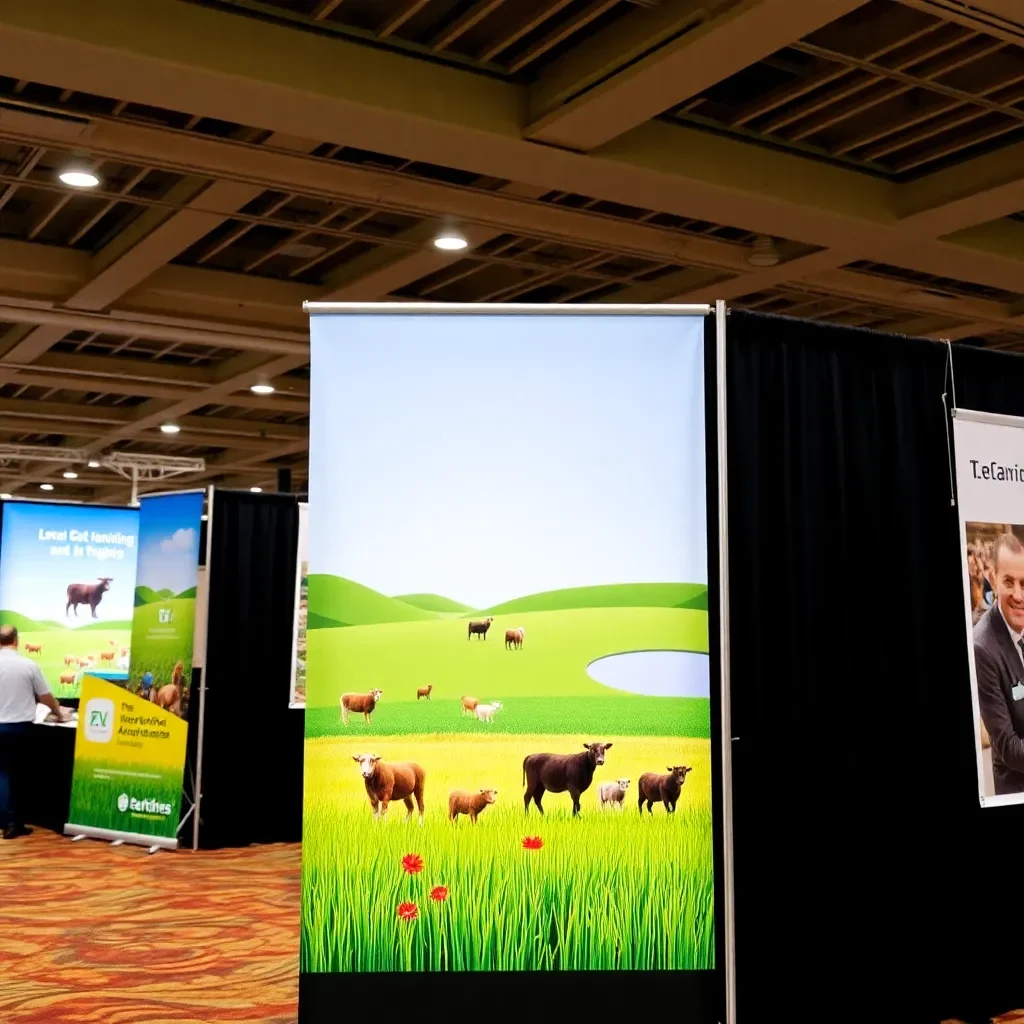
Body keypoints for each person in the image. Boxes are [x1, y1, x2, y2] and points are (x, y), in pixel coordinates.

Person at [0, 624, 68, 839]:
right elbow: (46, 697)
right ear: (17, 640)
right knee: (18, 774)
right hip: (21, 728)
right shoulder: (28, 665)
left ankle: (6, 821)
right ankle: (15, 823)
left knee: (2, 773)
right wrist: (58, 713)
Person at [975, 533, 1024, 795]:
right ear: (993, 578)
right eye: (1009, 582)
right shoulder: (982, 647)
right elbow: (1008, 747)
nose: (1018, 594)